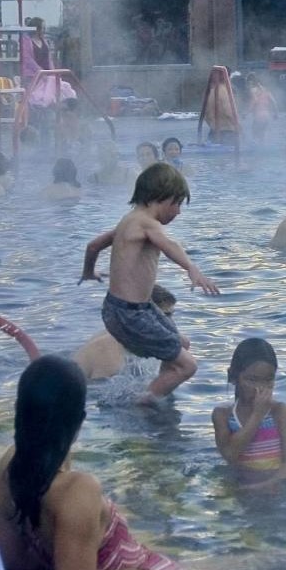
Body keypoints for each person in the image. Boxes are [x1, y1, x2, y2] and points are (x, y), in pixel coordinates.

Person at [0, 356, 198, 570]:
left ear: (20, 409)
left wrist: (69, 562)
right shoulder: (76, 490)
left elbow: (18, 566)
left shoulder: (6, 470)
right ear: (80, 420)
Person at [79, 162, 220, 395]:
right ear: (163, 198)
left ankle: (157, 387)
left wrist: (88, 272)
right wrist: (191, 268)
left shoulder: (128, 221)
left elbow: (93, 246)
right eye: (178, 204)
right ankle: (146, 401)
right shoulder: (146, 223)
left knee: (182, 343)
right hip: (130, 313)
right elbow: (169, 245)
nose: (179, 212)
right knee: (188, 366)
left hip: (129, 309)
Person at [212, 338, 286, 489]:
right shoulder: (223, 415)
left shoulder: (280, 413)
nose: (261, 388)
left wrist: (267, 484)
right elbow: (230, 454)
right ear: (233, 377)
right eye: (252, 380)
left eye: (268, 380)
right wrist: (257, 416)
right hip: (239, 484)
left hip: (274, 486)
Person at [73, 284, 178, 385]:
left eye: (172, 315)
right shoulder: (110, 349)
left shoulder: (121, 336)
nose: (171, 323)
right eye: (165, 316)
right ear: (145, 317)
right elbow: (96, 392)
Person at [245, 73, 277, 143]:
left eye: (248, 83)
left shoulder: (253, 90)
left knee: (255, 136)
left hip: (258, 117)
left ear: (250, 82)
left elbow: (254, 102)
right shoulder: (265, 89)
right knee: (262, 137)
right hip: (266, 116)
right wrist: (276, 113)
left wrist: (246, 113)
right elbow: (274, 102)